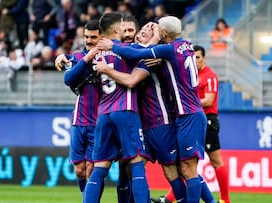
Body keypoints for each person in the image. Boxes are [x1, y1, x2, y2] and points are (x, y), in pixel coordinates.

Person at [98, 15, 207, 203]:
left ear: (161, 34)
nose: (137, 35)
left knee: (180, 168)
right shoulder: (180, 47)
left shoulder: (159, 54)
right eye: (137, 31)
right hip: (144, 122)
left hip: (162, 120)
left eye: (147, 30)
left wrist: (109, 60)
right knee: (133, 168)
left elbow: (132, 75)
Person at [84, 12, 150, 203]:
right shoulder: (127, 49)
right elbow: (146, 50)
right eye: (122, 26)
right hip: (125, 110)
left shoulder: (97, 53)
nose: (125, 30)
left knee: (99, 168)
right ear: (115, 29)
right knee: (137, 164)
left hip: (104, 113)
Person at [152, 45, 230, 203]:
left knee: (215, 161)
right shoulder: (188, 75)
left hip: (206, 120)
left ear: (204, 58)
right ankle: (170, 197)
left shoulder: (209, 76)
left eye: (199, 57)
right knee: (185, 164)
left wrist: (187, 102)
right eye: (193, 57)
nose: (195, 60)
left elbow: (208, 100)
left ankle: (225, 199)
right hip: (189, 120)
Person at [54, 19, 101, 198]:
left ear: (101, 37)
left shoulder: (108, 58)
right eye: (87, 36)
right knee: (79, 171)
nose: (89, 40)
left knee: (91, 169)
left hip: (98, 123)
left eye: (93, 37)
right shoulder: (78, 57)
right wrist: (87, 58)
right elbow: (68, 78)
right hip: (79, 121)